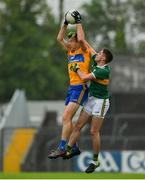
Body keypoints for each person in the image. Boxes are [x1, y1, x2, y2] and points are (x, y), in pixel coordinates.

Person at [48, 11, 95, 159]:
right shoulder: (70, 51)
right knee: (68, 120)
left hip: (80, 87)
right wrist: (65, 23)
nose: (69, 42)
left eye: (72, 40)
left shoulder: (85, 50)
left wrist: (78, 22)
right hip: (71, 88)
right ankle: (73, 147)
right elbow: (59, 38)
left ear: (77, 41)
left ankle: (63, 147)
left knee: (66, 116)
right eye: (69, 40)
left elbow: (81, 38)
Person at [63, 48, 113, 173]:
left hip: (100, 102)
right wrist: (80, 35)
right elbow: (88, 47)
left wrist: (76, 68)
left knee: (93, 131)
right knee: (77, 126)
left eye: (100, 53)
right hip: (91, 100)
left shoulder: (104, 70)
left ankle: (95, 161)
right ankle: (68, 149)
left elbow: (84, 78)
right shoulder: (97, 63)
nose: (97, 53)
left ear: (103, 58)